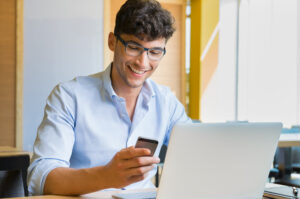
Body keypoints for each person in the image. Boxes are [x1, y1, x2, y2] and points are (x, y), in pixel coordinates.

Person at [27, 0, 191, 196]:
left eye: (154, 52)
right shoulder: (69, 97)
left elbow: (197, 151)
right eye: (133, 47)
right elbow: (41, 179)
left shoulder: (167, 103)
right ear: (112, 41)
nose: (143, 62)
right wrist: (106, 176)